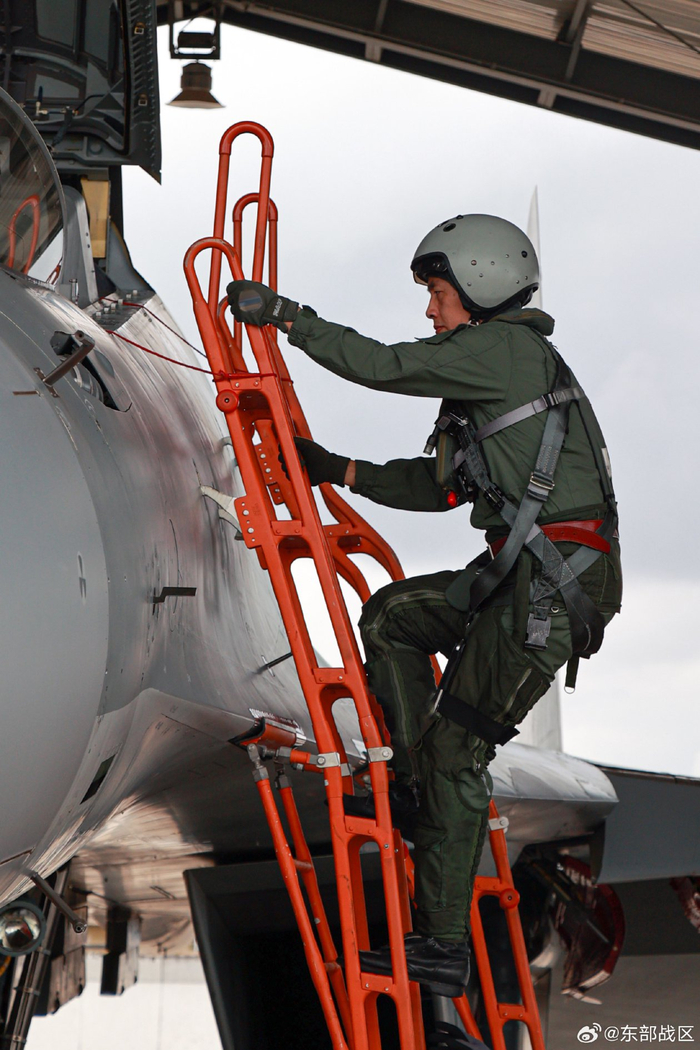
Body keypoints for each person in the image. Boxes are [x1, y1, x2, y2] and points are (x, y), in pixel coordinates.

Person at [227, 213, 622, 1000]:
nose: (431, 309)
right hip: (520, 579)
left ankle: (441, 946)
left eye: (439, 292)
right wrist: (338, 468)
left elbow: (383, 365)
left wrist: (288, 319)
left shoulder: (504, 351)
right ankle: (415, 788)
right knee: (392, 617)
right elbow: (440, 486)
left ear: (478, 286)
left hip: (547, 590)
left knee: (458, 753)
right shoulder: (488, 380)